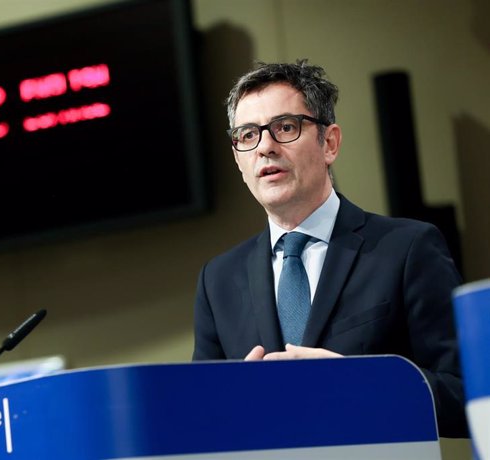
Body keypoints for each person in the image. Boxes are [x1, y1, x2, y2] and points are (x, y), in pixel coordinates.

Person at [192, 59, 468, 438]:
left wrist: (363, 384)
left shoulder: (407, 249)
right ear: (238, 157)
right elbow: (200, 420)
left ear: (330, 143)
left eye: (285, 127)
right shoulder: (217, 281)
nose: (265, 148)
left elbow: (468, 395)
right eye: (247, 135)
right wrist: (232, 402)